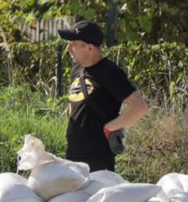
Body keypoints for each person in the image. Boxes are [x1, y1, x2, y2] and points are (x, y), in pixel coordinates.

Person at [57, 20, 149, 172]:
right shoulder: (77, 70)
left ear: (90, 47)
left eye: (73, 44)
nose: (68, 49)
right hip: (73, 157)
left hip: (98, 161)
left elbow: (140, 107)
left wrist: (109, 127)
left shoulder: (110, 72)